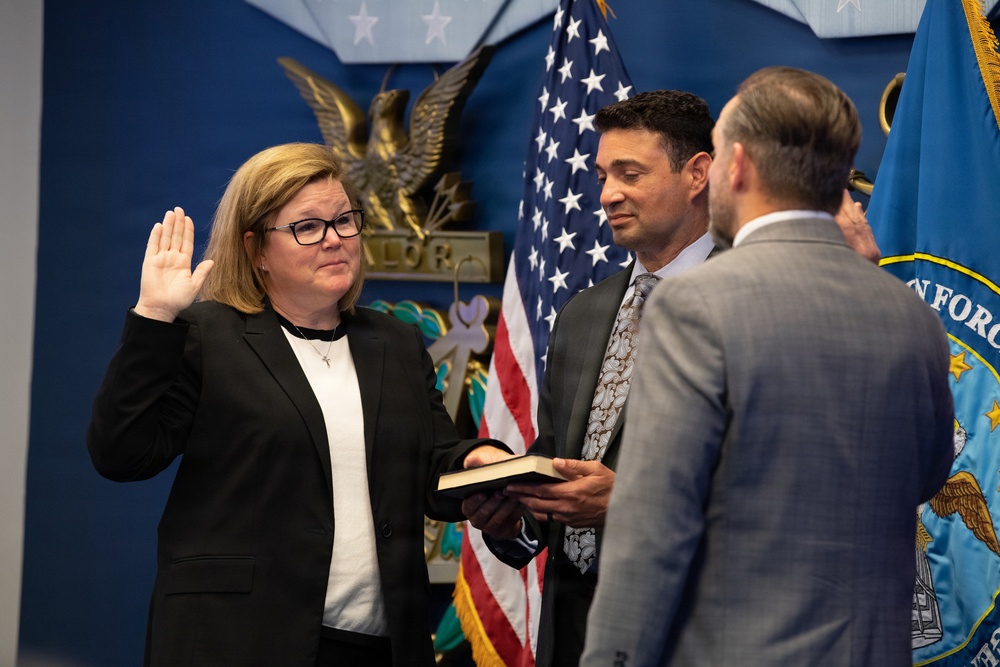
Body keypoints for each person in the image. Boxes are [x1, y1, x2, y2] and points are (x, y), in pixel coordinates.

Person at [580, 66, 954, 666]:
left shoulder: (694, 306)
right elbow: (930, 475)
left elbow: (650, 530)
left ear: (738, 166)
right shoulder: (909, 313)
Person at [87, 142, 510, 667]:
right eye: (307, 227)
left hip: (377, 643)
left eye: (344, 221)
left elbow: (433, 466)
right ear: (256, 249)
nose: (334, 241)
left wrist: (478, 462)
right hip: (238, 640)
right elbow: (122, 454)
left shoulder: (394, 342)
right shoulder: (207, 335)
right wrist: (154, 315)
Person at [464, 90, 718, 667]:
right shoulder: (582, 313)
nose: (607, 195)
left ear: (698, 173)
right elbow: (557, 461)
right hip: (573, 631)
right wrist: (514, 513)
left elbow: (774, 492)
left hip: (689, 630)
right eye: (603, 175)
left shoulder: (750, 303)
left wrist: (628, 502)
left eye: (631, 174)